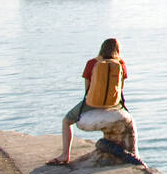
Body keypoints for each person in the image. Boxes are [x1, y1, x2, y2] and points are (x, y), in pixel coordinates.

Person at [48, 37, 129, 166]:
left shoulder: (91, 63)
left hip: (92, 103)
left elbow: (87, 90)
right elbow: (120, 89)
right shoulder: (121, 64)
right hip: (113, 104)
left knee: (66, 121)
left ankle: (65, 155)